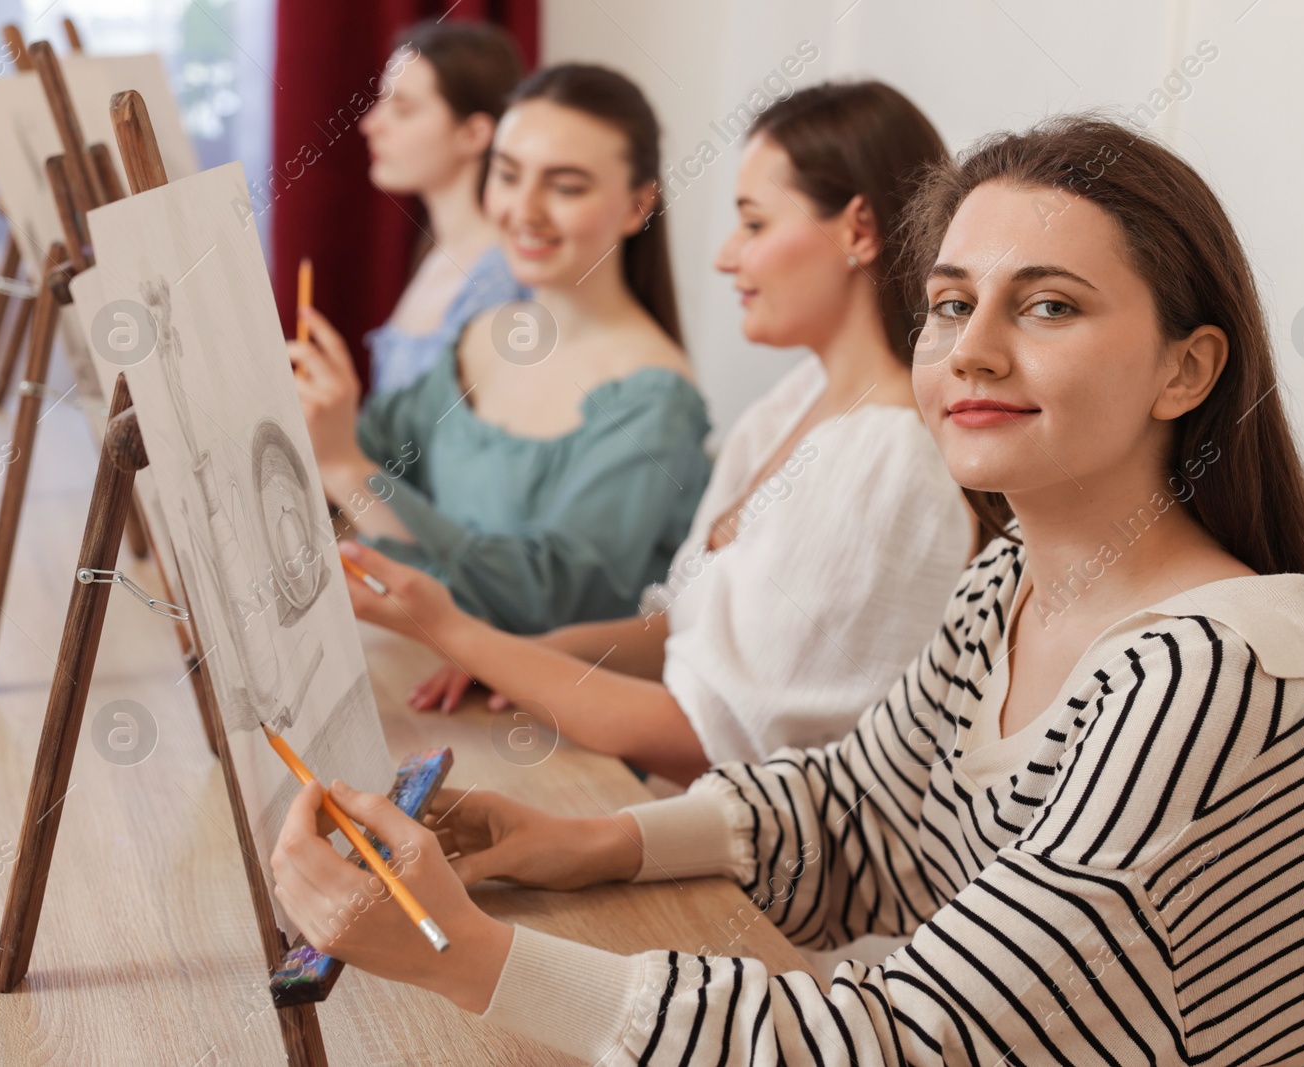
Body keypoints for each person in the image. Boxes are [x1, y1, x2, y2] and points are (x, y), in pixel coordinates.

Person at [271, 113, 1304, 1065]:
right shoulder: (1014, 575)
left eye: (1048, 304)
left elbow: (913, 1043)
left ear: (1187, 368)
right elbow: (854, 808)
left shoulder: (1210, 674)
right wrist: (579, 838)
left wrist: (455, 951)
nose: (969, 348)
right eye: (953, 303)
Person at [387, 81, 978, 786]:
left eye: (754, 225)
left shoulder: (890, 460)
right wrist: (524, 657)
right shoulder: (792, 403)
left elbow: (712, 739)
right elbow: (681, 628)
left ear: (858, 230)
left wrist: (461, 632)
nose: (727, 256)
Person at [291, 64, 712, 634]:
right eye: (508, 175)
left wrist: (343, 466)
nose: (525, 210)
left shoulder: (654, 396)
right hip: (425, 670)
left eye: (566, 187)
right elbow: (372, 455)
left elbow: (550, 603)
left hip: (532, 716)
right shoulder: (481, 335)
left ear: (639, 206)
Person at [358, 19, 531, 395]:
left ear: (473, 134)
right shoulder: (439, 252)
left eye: (401, 109)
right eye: (380, 102)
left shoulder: (499, 280)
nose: (371, 124)